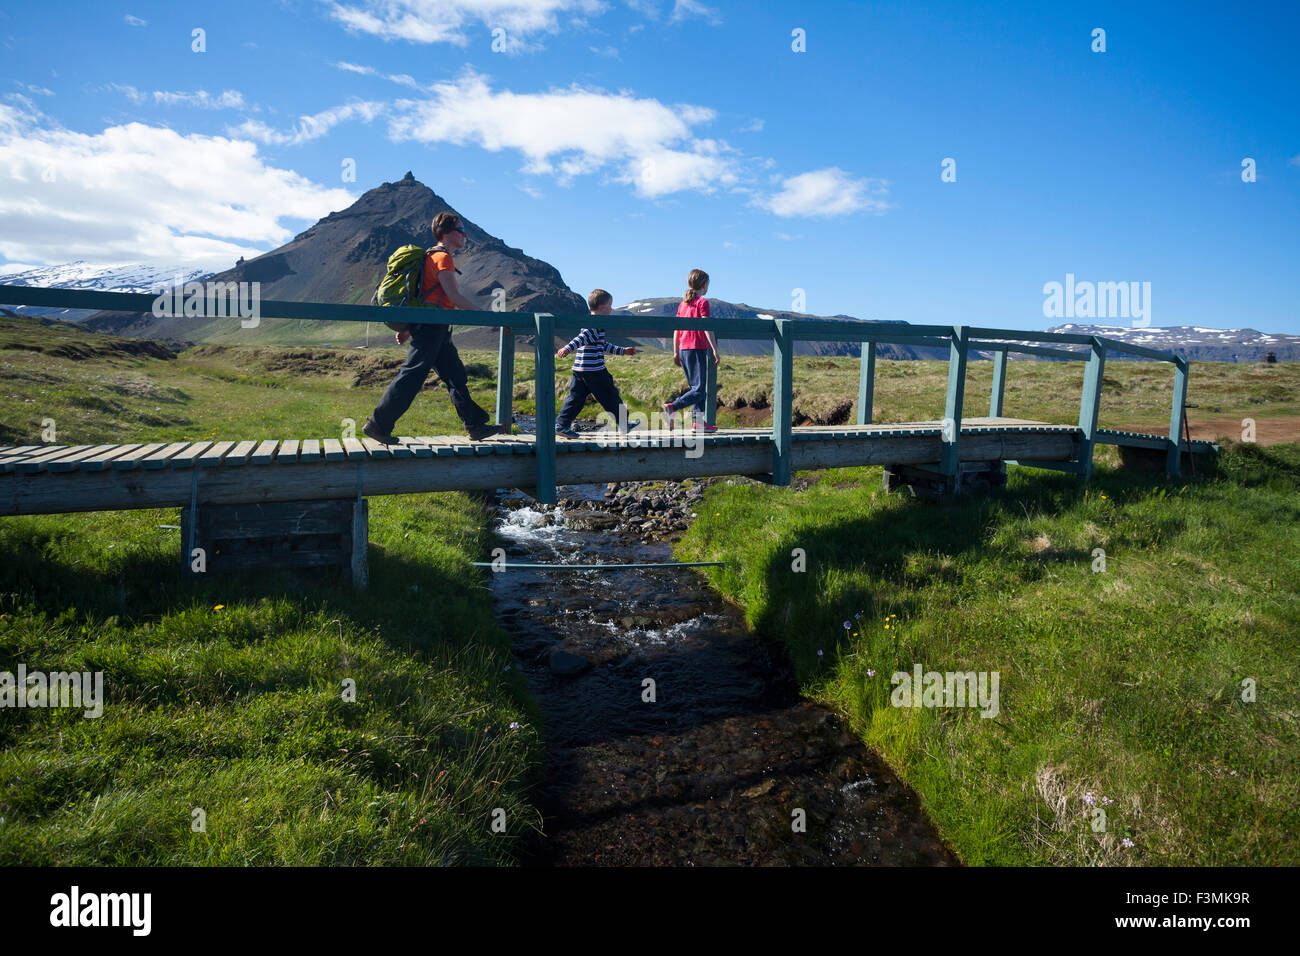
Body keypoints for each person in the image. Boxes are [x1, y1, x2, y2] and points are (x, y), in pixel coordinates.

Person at [363, 211, 498, 444]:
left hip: (435, 326)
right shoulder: (442, 258)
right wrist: (485, 316)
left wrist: (409, 327)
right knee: (413, 375)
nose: (465, 234)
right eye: (460, 229)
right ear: (446, 232)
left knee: (455, 375)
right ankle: (378, 424)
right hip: (432, 327)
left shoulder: (431, 256)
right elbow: (453, 296)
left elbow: (424, 295)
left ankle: (475, 425)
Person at [554, 289, 639, 438]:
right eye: (610, 305)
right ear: (601, 307)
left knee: (576, 398)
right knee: (610, 395)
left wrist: (622, 351)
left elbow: (603, 345)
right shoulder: (594, 325)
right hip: (594, 370)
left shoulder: (590, 323)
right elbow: (581, 338)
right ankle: (623, 424)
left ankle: (562, 425)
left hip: (580, 370)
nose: (611, 309)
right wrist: (568, 348)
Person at [662, 268, 719, 432]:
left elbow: (677, 330)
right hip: (697, 348)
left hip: (683, 349)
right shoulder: (703, 303)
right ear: (704, 284)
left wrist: (675, 352)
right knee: (700, 389)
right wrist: (714, 349)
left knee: (696, 387)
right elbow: (707, 328)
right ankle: (672, 407)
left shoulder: (683, 304)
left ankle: (698, 423)